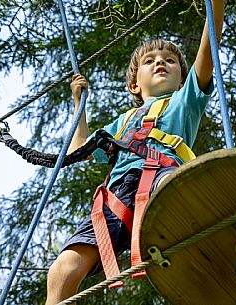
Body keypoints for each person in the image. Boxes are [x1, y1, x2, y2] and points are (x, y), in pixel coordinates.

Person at [45, 1, 224, 304]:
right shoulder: (121, 124)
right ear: (134, 85)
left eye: (169, 60)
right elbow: (79, 150)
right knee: (62, 269)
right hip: (117, 196)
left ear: (182, 78)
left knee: (174, 188)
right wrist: (79, 106)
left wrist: (215, 5)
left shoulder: (185, 101)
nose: (160, 63)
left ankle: (207, 258)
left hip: (162, 175)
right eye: (150, 60)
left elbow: (209, 51)